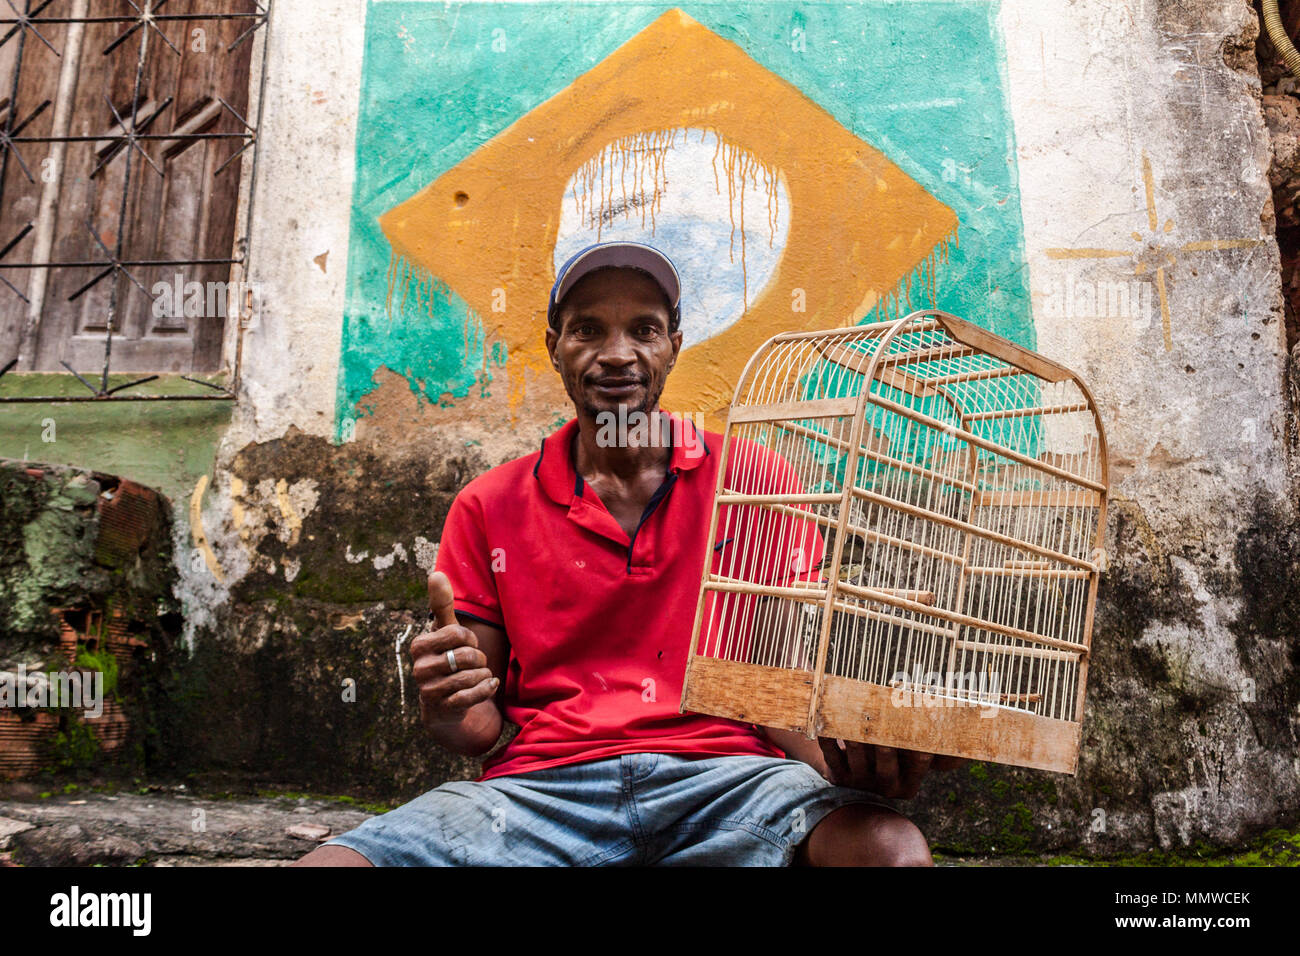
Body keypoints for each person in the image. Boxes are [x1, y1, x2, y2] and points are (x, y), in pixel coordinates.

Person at [295, 241, 960, 867]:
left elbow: (783, 687)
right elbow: (473, 730)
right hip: (545, 791)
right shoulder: (488, 504)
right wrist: (445, 700)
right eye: (587, 330)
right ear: (554, 347)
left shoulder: (756, 480)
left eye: (643, 329)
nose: (617, 354)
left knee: (890, 849)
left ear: (673, 345)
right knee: (333, 862)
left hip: (731, 782)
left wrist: (861, 768)